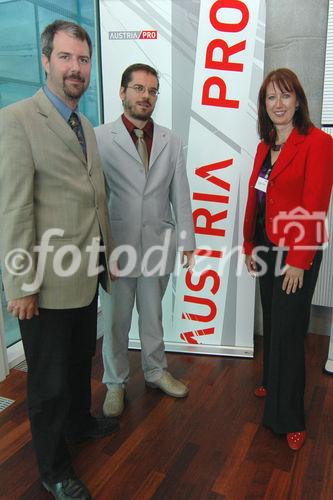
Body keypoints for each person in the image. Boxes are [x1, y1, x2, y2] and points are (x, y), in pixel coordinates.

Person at [0, 20, 118, 500]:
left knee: (77, 362)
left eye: (83, 60)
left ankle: (79, 424)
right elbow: (13, 208)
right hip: (44, 284)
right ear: (45, 61)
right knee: (47, 384)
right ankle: (53, 468)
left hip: (83, 274)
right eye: (66, 58)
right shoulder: (16, 120)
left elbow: (90, 194)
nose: (76, 68)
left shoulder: (83, 121)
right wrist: (21, 286)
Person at [95, 63, 195, 418]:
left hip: (157, 245)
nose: (146, 96)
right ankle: (115, 383)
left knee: (152, 317)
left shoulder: (171, 140)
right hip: (117, 248)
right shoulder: (99, 138)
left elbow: (179, 192)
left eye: (152, 91)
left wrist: (186, 239)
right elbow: (96, 195)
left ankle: (155, 371)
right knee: (116, 322)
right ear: (122, 92)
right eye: (138, 88)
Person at [243, 68, 333, 451]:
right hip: (265, 245)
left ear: (298, 100)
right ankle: (272, 380)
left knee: (289, 330)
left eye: (285, 96)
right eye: (270, 98)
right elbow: (257, 197)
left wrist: (298, 260)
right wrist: (249, 243)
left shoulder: (319, 143)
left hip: (296, 251)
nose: (278, 104)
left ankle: (290, 417)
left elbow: (315, 205)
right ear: (264, 105)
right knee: (272, 316)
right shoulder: (266, 144)